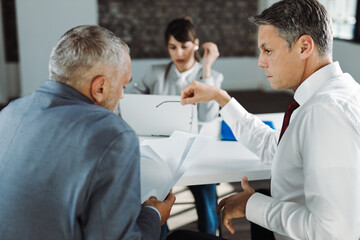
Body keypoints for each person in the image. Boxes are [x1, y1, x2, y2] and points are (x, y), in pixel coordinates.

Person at [179, 0, 360, 239]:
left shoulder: (324, 113)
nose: (260, 61)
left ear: (305, 47)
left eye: (268, 50)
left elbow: (333, 233)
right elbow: (278, 149)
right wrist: (221, 99)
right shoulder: (335, 94)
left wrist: (251, 205)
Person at [0, 25, 175, 240]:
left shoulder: (9, 113)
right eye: (123, 86)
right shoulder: (113, 134)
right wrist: (153, 214)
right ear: (100, 88)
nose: (122, 96)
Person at [124, 17, 223, 237]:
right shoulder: (155, 73)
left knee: (206, 193)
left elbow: (207, 116)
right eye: (173, 47)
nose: (179, 53)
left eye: (184, 46)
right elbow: (130, 105)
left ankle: (210, 233)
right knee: (153, 194)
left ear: (195, 44)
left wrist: (206, 68)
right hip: (161, 151)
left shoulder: (212, 77)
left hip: (196, 153)